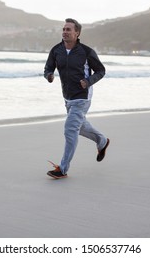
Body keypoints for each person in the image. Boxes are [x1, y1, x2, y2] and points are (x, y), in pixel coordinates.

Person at [44, 18, 110, 179]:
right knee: (79, 127)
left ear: (77, 33)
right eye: (64, 29)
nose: (65, 32)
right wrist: (49, 75)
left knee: (70, 129)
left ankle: (63, 168)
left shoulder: (86, 52)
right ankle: (102, 141)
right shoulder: (56, 50)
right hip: (68, 96)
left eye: (68, 29)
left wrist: (88, 81)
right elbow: (48, 68)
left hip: (82, 97)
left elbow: (101, 71)